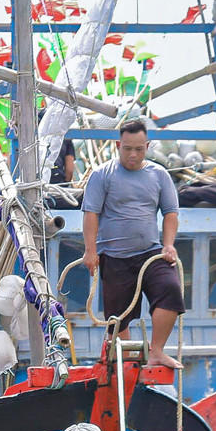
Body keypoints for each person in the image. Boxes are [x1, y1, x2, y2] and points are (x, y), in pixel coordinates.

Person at [82, 118, 184, 370]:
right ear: (118, 145)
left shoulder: (159, 175)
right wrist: (90, 251)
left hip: (150, 253)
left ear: (147, 146)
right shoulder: (102, 175)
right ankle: (123, 361)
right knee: (118, 318)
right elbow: (90, 213)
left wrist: (168, 245)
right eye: (127, 149)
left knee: (171, 289)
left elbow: (170, 212)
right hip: (114, 256)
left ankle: (157, 350)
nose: (133, 154)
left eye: (139, 149)